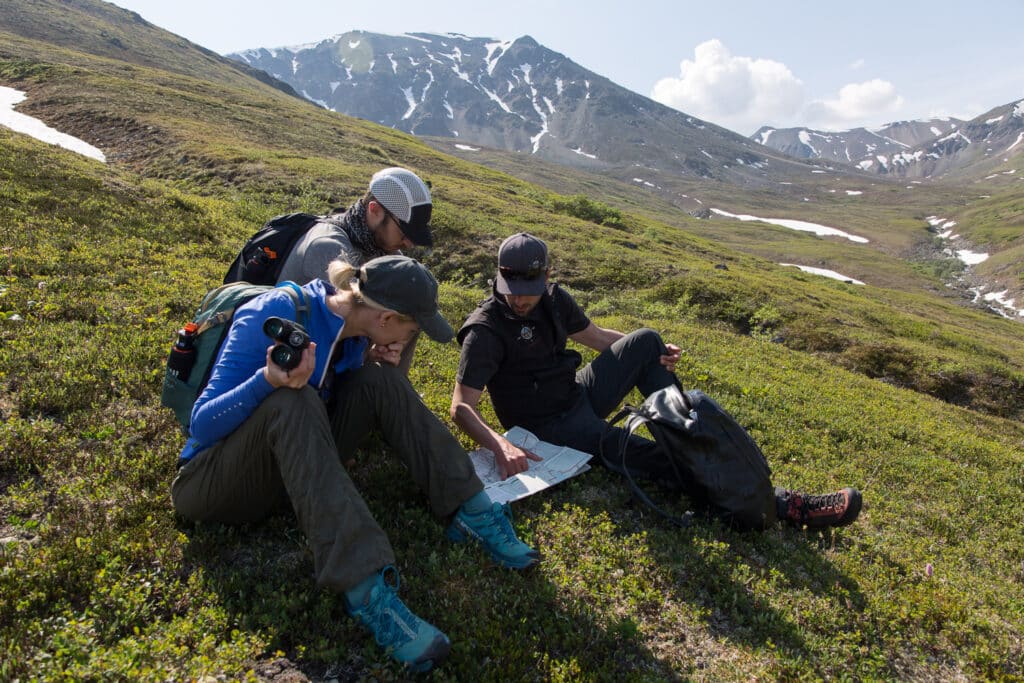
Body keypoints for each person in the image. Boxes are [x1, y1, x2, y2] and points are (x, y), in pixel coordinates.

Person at [171, 255, 539, 673]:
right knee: (292, 399)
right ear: (384, 317)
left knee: (380, 379)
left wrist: (372, 359)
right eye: (412, 327)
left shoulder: (352, 330)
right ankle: (366, 591)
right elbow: (202, 424)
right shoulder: (273, 313)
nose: (412, 334)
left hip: (289, 473)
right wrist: (268, 380)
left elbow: (339, 398)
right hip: (210, 486)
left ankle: (472, 508)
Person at [450, 232, 862, 531]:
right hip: (548, 427)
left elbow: (596, 339)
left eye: (529, 289)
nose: (520, 298)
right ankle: (780, 504)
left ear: (545, 277)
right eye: (512, 289)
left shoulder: (554, 299)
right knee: (633, 453)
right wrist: (500, 443)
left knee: (645, 340)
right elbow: (461, 405)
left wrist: (656, 353)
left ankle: (688, 431)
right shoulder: (485, 329)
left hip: (576, 392)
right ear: (499, 277)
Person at [277, 166, 433, 374]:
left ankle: (394, 382)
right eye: (404, 231)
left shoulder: (386, 252)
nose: (409, 243)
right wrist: (370, 353)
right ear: (375, 210)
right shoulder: (327, 248)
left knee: (414, 311)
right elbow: (347, 323)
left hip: (333, 360)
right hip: (292, 363)